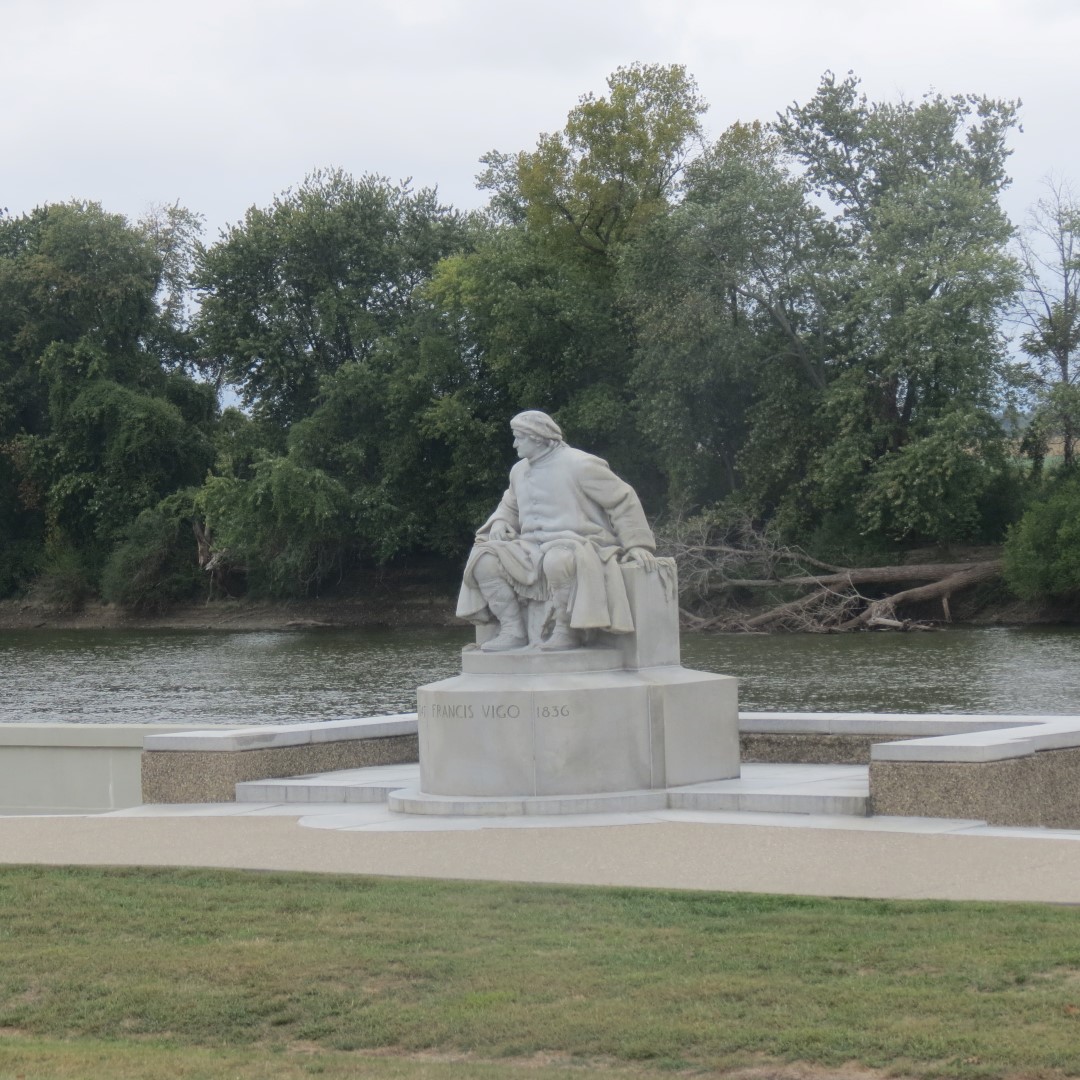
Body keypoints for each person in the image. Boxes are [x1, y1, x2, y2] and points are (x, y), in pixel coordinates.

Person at [456, 410, 657, 651]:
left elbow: (622, 499)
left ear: (538, 437)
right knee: (482, 559)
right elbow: (509, 507)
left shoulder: (580, 464)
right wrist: (500, 523)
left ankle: (567, 631)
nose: (514, 443)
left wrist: (637, 544)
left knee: (558, 560)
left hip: (579, 542)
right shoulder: (518, 471)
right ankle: (512, 629)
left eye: (519, 437)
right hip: (529, 549)